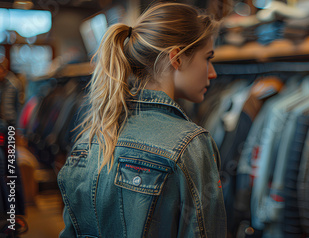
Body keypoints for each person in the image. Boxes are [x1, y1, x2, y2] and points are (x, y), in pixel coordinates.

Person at [57, 3, 226, 237]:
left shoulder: (90, 137)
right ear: (176, 58)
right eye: (207, 58)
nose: (212, 72)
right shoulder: (191, 144)